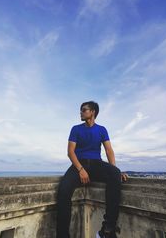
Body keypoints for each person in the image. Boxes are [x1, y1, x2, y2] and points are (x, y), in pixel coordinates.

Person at [56, 101, 128, 238]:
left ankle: (107, 230)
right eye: (81, 110)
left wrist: (115, 171)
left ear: (93, 112)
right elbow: (70, 152)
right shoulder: (76, 129)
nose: (81, 113)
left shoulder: (102, 129)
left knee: (115, 174)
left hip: (96, 164)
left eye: (84, 110)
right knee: (63, 190)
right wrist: (80, 169)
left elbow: (109, 151)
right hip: (79, 164)